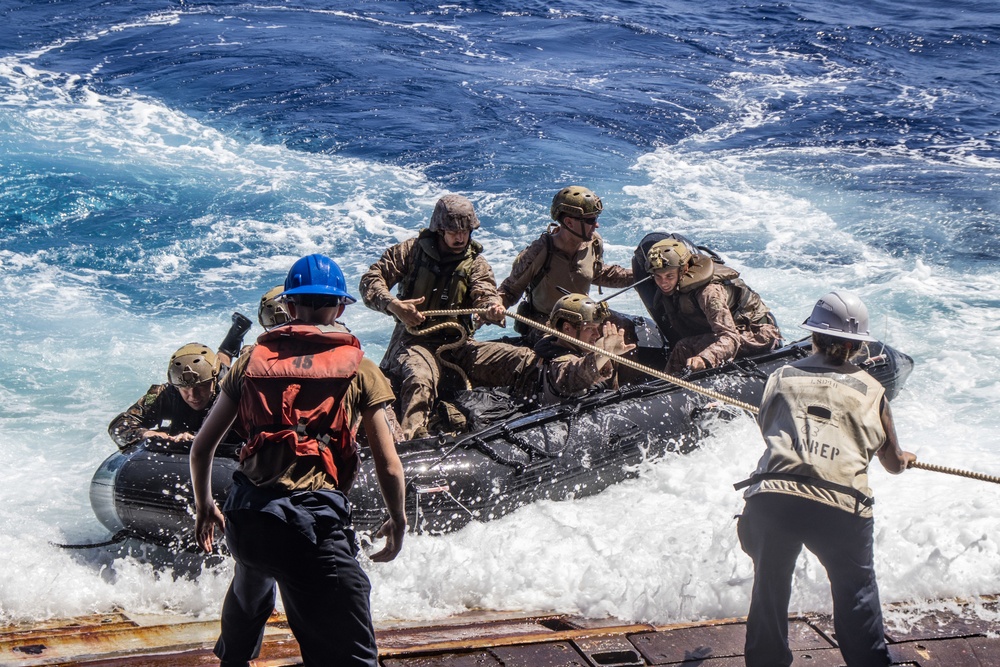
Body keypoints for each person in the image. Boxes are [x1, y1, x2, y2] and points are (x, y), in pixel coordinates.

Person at [190, 253, 406, 667]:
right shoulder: (360, 368)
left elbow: (202, 448)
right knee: (354, 649)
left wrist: (205, 507)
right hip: (311, 530)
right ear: (339, 307)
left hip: (248, 518)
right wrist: (397, 519)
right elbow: (389, 464)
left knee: (251, 574)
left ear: (289, 307)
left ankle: (233, 660)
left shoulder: (250, 361)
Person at [734, 291, 916, 667]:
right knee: (856, 594)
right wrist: (905, 457)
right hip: (841, 505)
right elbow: (893, 463)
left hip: (773, 496)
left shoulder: (780, 376)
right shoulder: (874, 392)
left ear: (813, 336)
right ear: (856, 347)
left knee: (769, 587)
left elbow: (768, 428)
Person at [359, 194, 506, 438]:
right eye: (452, 231)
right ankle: (410, 443)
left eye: (465, 231)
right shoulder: (410, 251)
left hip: (458, 345)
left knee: (518, 359)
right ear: (439, 230)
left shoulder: (476, 263)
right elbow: (371, 280)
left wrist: (492, 308)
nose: (460, 238)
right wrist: (394, 305)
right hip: (412, 341)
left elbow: (485, 293)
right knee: (420, 378)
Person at [498, 185, 633, 343]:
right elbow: (508, 291)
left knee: (627, 331)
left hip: (583, 318)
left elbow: (595, 274)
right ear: (569, 222)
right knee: (567, 346)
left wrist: (638, 275)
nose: (596, 225)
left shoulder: (594, 243)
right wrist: (495, 307)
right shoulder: (539, 252)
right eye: (591, 220)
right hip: (545, 323)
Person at [642, 238, 780, 374]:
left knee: (683, 348)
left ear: (684, 269)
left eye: (669, 276)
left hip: (756, 334)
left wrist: (705, 358)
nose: (663, 283)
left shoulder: (709, 293)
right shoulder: (668, 276)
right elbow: (631, 277)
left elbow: (730, 337)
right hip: (730, 332)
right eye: (658, 277)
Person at [109, 342, 232, 451]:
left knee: (225, 364)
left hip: (224, 380)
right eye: (185, 388)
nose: (193, 396)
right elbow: (120, 424)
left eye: (201, 386)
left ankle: (229, 347)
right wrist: (145, 434)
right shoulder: (164, 394)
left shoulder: (231, 392)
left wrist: (199, 437)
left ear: (213, 380)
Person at [522, 293, 635, 406]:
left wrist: (608, 353)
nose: (597, 334)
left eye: (597, 328)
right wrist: (604, 354)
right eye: (589, 328)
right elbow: (574, 373)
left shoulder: (584, 348)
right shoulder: (557, 362)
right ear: (567, 328)